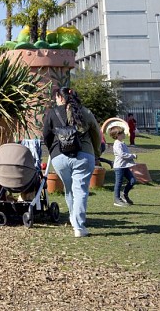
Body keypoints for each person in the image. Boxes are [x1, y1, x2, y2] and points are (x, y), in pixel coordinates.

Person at [42, 87, 101, 238]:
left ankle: (73, 220)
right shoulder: (85, 112)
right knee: (80, 190)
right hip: (83, 155)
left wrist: (53, 151)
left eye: (56, 97)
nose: (55, 100)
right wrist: (96, 153)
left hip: (59, 157)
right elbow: (96, 134)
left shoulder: (51, 113)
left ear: (62, 98)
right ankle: (78, 226)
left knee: (69, 189)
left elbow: (46, 136)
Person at [110, 127, 137, 207]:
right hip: (119, 167)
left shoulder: (122, 143)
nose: (124, 134)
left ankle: (124, 194)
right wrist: (132, 156)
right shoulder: (117, 144)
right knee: (118, 183)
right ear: (118, 135)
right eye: (123, 133)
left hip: (125, 166)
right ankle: (117, 199)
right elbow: (122, 154)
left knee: (132, 180)